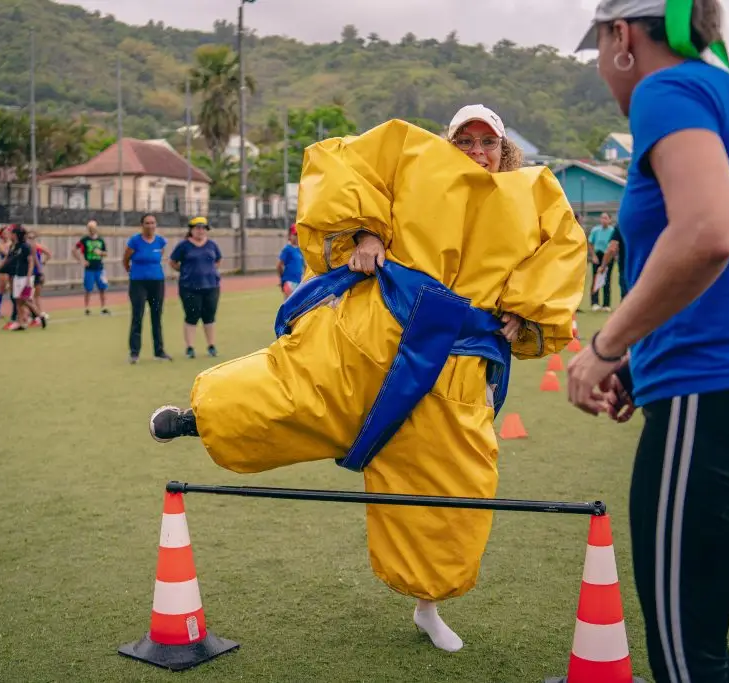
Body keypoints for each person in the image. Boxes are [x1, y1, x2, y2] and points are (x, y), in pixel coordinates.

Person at [146, 108, 586, 653]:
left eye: (487, 142)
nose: (476, 150)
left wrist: (525, 309)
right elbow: (339, 160)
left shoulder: (534, 194)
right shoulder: (412, 161)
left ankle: (429, 605)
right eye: (465, 139)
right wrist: (364, 230)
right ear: (448, 142)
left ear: (504, 149)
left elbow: (563, 251)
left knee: (453, 486)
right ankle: (196, 420)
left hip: (453, 370)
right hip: (372, 337)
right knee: (295, 394)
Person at [567, 2, 729, 681]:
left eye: (597, 48)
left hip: (715, 399)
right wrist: (645, 362)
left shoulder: (666, 89)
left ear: (622, 37)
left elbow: (708, 234)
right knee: (695, 644)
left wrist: (608, 346)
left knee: (685, 657)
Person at [169, 217, 222, 359]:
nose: (200, 231)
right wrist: (186, 271)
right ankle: (190, 347)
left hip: (211, 286)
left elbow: (218, 260)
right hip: (189, 287)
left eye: (203, 228)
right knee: (192, 316)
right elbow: (173, 262)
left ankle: (211, 345)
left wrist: (209, 271)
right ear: (191, 229)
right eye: (197, 228)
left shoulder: (212, 245)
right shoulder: (184, 246)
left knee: (209, 316)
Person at [123, 214, 171, 363]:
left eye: (152, 223)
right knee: (137, 316)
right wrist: (132, 272)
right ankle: (134, 353)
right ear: (142, 225)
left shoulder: (160, 242)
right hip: (138, 283)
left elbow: (159, 257)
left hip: (157, 282)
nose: (150, 226)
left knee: (157, 317)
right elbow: (125, 259)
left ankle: (159, 351)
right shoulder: (135, 241)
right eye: (147, 223)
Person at [4, 225, 45, 331]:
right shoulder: (15, 246)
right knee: (17, 300)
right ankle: (21, 323)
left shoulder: (25, 246)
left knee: (25, 299)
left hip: (25, 277)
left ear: (16, 235)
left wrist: (28, 278)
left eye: (12, 233)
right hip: (17, 276)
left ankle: (39, 316)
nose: (10, 235)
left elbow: (31, 262)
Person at [74, 220, 110, 316]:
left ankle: (103, 308)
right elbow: (74, 250)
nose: (91, 229)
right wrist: (81, 261)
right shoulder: (84, 240)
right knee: (88, 289)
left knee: (102, 288)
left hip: (100, 268)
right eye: (90, 228)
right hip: (89, 269)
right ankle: (87, 308)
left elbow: (106, 253)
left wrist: (100, 253)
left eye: (93, 227)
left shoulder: (100, 240)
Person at [587, 213, 617, 311]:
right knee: (596, 279)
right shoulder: (595, 230)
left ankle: (606, 304)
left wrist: (612, 256)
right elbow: (590, 243)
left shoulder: (613, 231)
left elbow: (615, 245)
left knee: (607, 280)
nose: (604, 220)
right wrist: (593, 256)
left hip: (608, 257)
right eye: (602, 218)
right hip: (597, 256)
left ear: (610, 220)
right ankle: (594, 303)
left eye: (606, 218)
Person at [27, 229, 51, 326]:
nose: (31, 239)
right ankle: (34, 314)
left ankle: (39, 313)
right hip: (29, 273)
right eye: (29, 237)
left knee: (36, 295)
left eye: (32, 238)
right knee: (30, 296)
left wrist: (43, 262)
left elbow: (49, 254)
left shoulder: (37, 246)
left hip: (36, 273)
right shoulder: (26, 247)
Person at [278, 225, 306, 300]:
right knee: (290, 306)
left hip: (299, 282)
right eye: (295, 234)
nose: (297, 237)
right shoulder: (287, 249)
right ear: (290, 235)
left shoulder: (299, 249)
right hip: (289, 281)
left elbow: (303, 265)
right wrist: (282, 279)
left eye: (298, 235)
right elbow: (279, 265)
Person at [0, 226, 12, 319]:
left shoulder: (12, 243)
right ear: (1, 235)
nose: (6, 235)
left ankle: (16, 310)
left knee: (13, 289)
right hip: (4, 267)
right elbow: (6, 253)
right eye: (4, 233)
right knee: (1, 289)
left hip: (13, 266)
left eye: (7, 233)